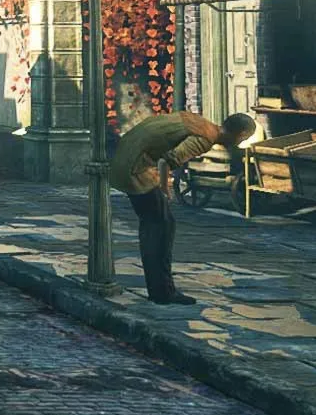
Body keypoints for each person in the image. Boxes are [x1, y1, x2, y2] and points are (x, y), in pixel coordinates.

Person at [108, 110, 257, 305]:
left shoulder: (199, 122)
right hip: (134, 168)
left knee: (159, 224)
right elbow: (166, 161)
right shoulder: (205, 138)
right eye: (243, 139)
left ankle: (160, 289)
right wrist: (164, 189)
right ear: (241, 135)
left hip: (126, 158)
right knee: (160, 228)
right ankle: (162, 292)